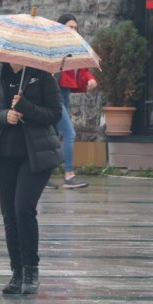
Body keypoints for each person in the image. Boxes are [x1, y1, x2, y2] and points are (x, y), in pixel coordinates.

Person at [0, 61, 63, 295]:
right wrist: (4, 115)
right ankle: (16, 272)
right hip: (3, 154)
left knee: (23, 208)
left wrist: (26, 107)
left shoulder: (42, 75)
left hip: (36, 154)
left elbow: (55, 113)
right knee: (9, 214)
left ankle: (31, 270)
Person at [45, 14, 98, 190]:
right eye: (70, 26)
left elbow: (83, 68)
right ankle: (69, 175)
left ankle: (41, 176)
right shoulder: (54, 47)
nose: (73, 30)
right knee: (69, 133)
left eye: (75, 27)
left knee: (52, 136)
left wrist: (90, 79)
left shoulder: (76, 47)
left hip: (65, 94)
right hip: (54, 94)